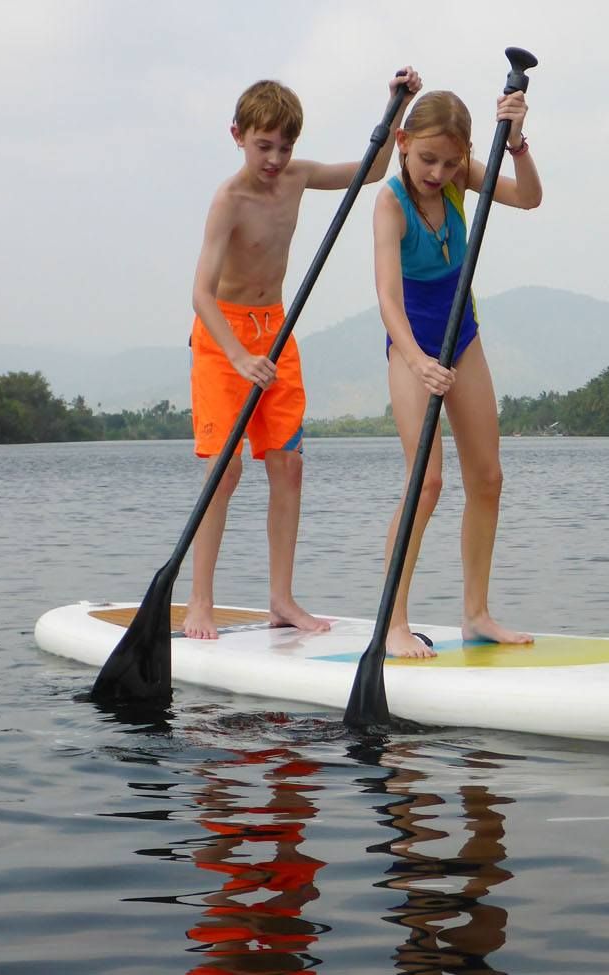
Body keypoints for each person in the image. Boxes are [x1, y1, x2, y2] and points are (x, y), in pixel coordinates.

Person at [186, 68, 423, 640]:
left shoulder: (296, 177)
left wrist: (396, 105)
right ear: (237, 135)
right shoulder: (228, 200)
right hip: (224, 338)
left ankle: (281, 599)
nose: (273, 158)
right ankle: (198, 603)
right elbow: (200, 292)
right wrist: (240, 357)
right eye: (263, 145)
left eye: (284, 146)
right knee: (225, 471)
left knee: (288, 465)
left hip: (278, 329)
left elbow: (372, 171)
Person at [372, 88, 543, 658]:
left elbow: (530, 199)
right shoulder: (390, 202)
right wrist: (419, 362)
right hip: (411, 344)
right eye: (427, 160)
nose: (439, 172)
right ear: (402, 145)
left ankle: (475, 615)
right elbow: (388, 301)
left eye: (451, 161)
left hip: (462, 334)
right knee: (427, 483)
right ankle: (393, 622)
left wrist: (516, 144)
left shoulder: (460, 176)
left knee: (488, 478)